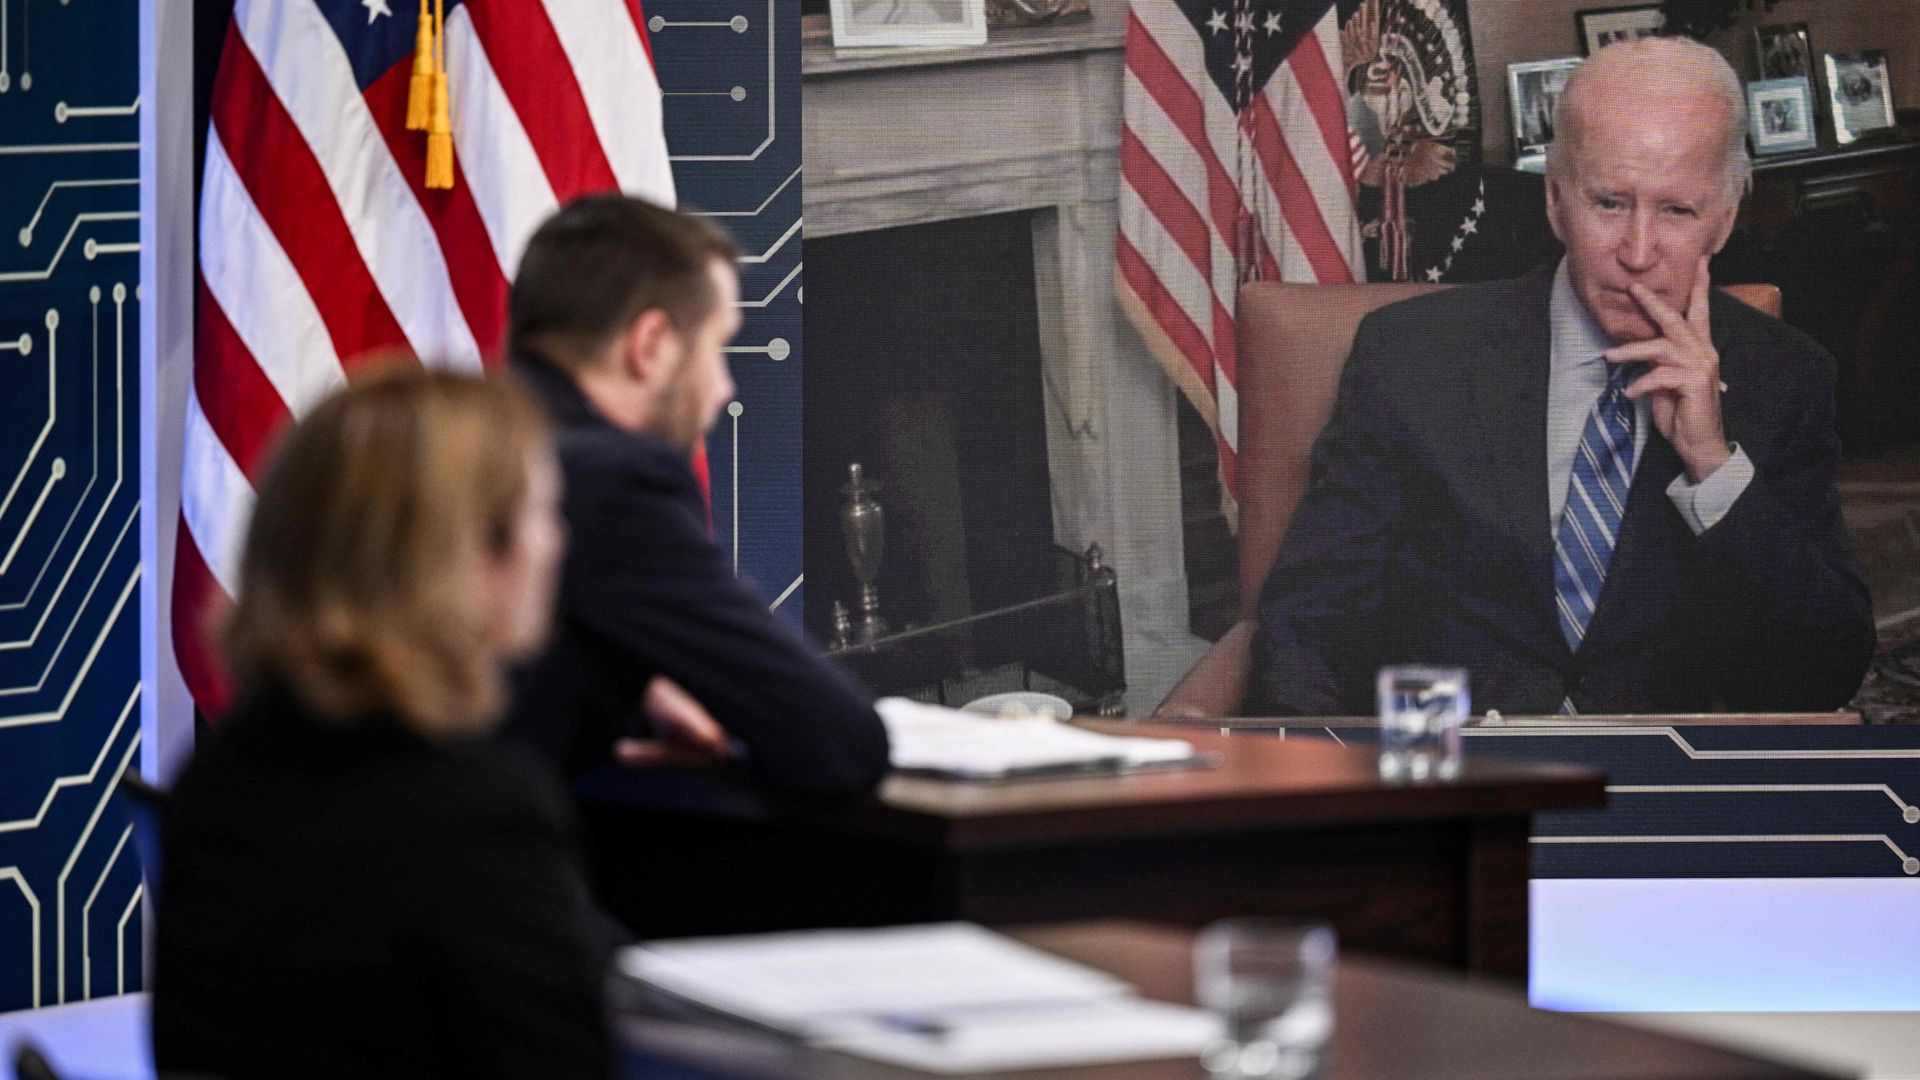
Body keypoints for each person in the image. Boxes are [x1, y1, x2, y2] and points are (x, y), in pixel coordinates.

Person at [1252, 38, 1874, 716]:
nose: (1637, 254)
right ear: (1555, 203)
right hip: (1446, 770)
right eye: (1609, 203)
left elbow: (1826, 672)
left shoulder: (1784, 378)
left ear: (1721, 223)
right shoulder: (1412, 356)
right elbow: (1306, 626)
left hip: (1659, 786)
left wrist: (1712, 465)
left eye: (1677, 211)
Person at [154, 369, 613, 1078]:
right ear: (471, 556)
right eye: (545, 512)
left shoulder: (219, 774)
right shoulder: (476, 815)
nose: (558, 541)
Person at [504, 194, 889, 794]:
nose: (723, 386)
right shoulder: (615, 481)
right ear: (651, 344)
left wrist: (640, 691)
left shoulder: (452, 438)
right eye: (716, 346)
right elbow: (842, 744)